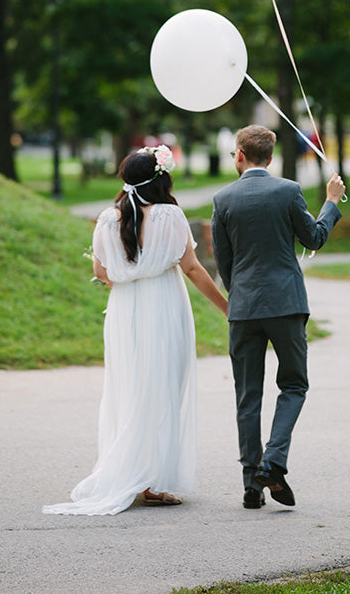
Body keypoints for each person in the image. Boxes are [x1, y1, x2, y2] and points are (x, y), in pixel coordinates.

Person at [43, 145, 227, 516]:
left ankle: (136, 473)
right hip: (164, 305)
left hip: (126, 311)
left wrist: (129, 280)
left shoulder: (107, 220)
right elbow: (192, 268)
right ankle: (152, 482)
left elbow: (101, 272)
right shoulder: (170, 216)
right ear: (162, 179)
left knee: (130, 387)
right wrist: (227, 308)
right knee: (163, 387)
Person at [211, 125, 345, 510]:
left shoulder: (223, 199)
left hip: (244, 309)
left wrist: (241, 300)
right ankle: (274, 460)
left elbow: (225, 262)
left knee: (247, 395)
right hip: (286, 304)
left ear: (239, 155)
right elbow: (314, 238)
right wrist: (332, 201)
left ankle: (252, 485)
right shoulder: (288, 191)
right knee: (294, 385)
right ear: (269, 158)